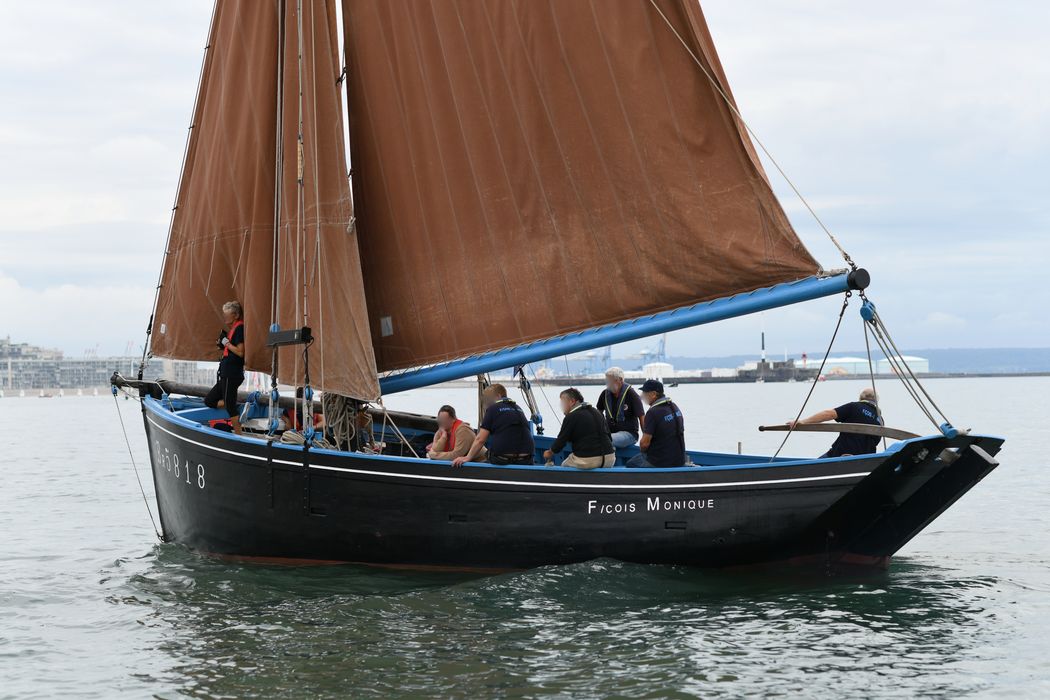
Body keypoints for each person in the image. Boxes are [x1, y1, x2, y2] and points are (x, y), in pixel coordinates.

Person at [453, 384, 535, 467]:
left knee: (484, 459)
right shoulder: (518, 408)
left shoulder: (493, 409)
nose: (485, 402)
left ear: (498, 396)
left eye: (487, 398)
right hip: (526, 459)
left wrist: (468, 457)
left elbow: (480, 439)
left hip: (503, 459)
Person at [790, 387, 884, 458]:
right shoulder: (880, 420)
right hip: (866, 460)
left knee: (811, 467)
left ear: (860, 398)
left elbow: (829, 414)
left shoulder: (854, 407)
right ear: (877, 401)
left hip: (842, 455)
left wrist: (803, 421)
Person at [543, 388, 615, 469]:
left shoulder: (571, 417)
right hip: (610, 458)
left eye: (563, 402)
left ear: (572, 402)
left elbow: (561, 441)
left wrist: (549, 452)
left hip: (589, 460)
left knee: (564, 466)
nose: (561, 406)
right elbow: (609, 436)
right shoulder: (596, 412)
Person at [204, 301, 245, 434]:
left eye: (227, 315)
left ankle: (240, 435)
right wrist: (223, 344)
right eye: (224, 315)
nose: (225, 318)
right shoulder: (232, 330)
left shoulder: (239, 328)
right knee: (210, 400)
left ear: (236, 315)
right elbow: (231, 350)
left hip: (232, 373)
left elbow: (240, 352)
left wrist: (226, 343)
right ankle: (235, 404)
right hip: (226, 373)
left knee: (229, 405)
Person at [626, 379, 686, 468]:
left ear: (653, 394)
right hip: (679, 459)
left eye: (644, 393)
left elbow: (644, 444)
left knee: (630, 464)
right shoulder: (674, 407)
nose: (642, 396)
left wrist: (644, 451)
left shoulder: (653, 412)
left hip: (660, 461)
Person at [595, 367, 645, 448]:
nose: (608, 384)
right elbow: (598, 413)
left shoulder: (631, 394)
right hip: (609, 433)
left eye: (610, 381)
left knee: (605, 440)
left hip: (629, 434)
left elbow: (641, 416)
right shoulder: (605, 394)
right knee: (592, 439)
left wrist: (646, 439)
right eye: (607, 381)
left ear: (620, 380)